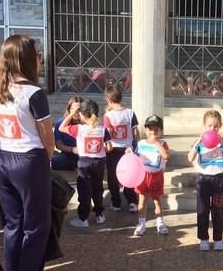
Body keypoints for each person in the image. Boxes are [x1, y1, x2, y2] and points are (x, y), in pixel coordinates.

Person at [0, 35, 59, 271]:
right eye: (37, 55)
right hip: (29, 161)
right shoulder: (33, 94)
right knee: (37, 226)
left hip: (3, 160)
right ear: (27, 59)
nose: (40, 59)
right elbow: (47, 137)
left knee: (12, 226)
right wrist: (46, 158)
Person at [187, 110, 223, 251]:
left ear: (220, 126)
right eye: (209, 125)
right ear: (204, 125)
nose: (212, 129)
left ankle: (218, 239)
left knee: (218, 210)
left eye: (216, 126)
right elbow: (190, 157)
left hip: (218, 180)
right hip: (203, 180)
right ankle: (203, 238)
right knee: (202, 210)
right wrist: (197, 143)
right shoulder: (200, 141)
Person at [60, 99, 108, 228]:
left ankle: (83, 218)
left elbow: (61, 127)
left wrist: (71, 114)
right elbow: (109, 147)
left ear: (81, 114)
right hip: (99, 162)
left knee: (84, 190)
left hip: (84, 163)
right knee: (98, 189)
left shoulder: (79, 129)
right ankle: (99, 215)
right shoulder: (103, 129)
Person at [103, 84, 139, 212]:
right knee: (129, 175)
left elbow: (107, 133)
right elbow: (135, 132)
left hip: (112, 149)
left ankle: (116, 203)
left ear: (108, 100)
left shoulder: (108, 116)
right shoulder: (130, 113)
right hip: (128, 149)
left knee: (112, 176)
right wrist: (135, 146)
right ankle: (133, 202)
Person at [132, 115, 170, 236]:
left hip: (156, 176)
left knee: (157, 200)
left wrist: (157, 143)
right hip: (143, 176)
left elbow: (165, 156)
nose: (152, 132)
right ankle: (141, 224)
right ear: (145, 130)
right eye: (149, 129)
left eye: (156, 130)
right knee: (142, 200)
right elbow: (136, 157)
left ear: (161, 131)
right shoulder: (141, 143)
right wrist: (129, 152)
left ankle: (160, 223)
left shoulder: (163, 143)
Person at [51, 96, 83, 171]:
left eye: (78, 109)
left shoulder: (86, 123)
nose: (76, 112)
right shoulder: (60, 122)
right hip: (68, 153)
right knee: (56, 160)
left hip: (84, 154)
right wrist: (72, 149)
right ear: (69, 109)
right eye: (72, 109)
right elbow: (58, 145)